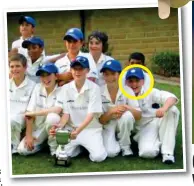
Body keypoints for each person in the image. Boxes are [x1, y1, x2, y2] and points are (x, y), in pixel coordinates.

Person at [49, 56, 107, 162]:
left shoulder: (94, 88)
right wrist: (59, 126)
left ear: (87, 70)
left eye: (81, 69)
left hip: (91, 129)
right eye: (75, 69)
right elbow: (66, 114)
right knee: (60, 155)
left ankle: (86, 145)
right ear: (71, 70)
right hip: (71, 130)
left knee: (98, 157)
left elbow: (91, 115)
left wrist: (78, 131)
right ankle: (78, 149)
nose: (77, 72)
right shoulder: (65, 89)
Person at [125, 67, 180, 164]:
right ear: (126, 82)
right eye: (131, 81)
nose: (134, 84)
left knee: (173, 110)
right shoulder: (123, 94)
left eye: (137, 81)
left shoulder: (150, 91)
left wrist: (163, 108)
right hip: (141, 128)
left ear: (142, 81)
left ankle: (167, 153)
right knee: (147, 153)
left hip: (155, 122)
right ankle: (160, 139)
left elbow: (171, 98)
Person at [99, 60, 141, 157]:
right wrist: (111, 111)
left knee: (127, 116)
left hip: (123, 122)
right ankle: (116, 140)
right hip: (107, 125)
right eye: (106, 74)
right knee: (110, 153)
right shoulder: (98, 91)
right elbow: (101, 120)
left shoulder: (127, 90)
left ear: (120, 74)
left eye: (113, 74)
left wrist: (126, 107)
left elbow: (138, 115)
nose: (110, 77)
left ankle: (125, 146)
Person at [17, 63, 61, 155]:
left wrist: (34, 113)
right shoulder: (37, 87)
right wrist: (28, 135)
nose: (45, 79)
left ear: (56, 76)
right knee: (23, 150)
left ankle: (53, 148)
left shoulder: (62, 90)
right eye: (42, 76)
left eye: (48, 75)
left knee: (52, 117)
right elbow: (29, 113)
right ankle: (43, 143)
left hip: (54, 127)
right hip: (37, 128)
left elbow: (57, 110)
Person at [9, 53, 36, 154]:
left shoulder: (33, 86)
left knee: (12, 120)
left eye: (17, 66)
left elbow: (31, 111)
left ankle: (14, 146)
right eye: (12, 66)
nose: (14, 69)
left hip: (22, 118)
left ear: (25, 67)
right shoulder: (5, 83)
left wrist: (28, 134)